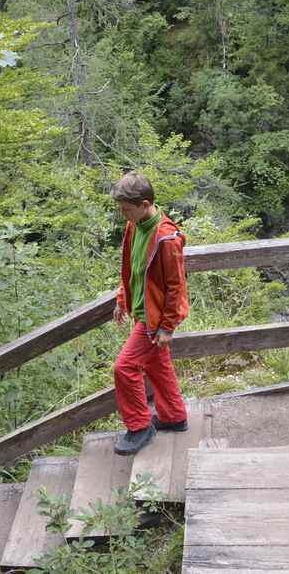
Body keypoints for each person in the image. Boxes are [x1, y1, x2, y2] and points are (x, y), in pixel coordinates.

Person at [110, 172, 190, 456]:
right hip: (142, 311)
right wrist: (123, 297)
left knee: (125, 368)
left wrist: (167, 326)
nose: (123, 216)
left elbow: (175, 287)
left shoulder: (166, 239)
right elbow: (131, 268)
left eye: (126, 210)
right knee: (157, 364)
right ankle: (174, 417)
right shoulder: (136, 225)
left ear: (145, 204)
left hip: (153, 319)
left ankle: (139, 426)